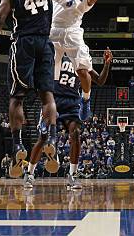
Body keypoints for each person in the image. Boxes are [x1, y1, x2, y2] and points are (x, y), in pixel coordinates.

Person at [0, 0, 95, 178]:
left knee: (17, 96)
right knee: (47, 95)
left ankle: (17, 144)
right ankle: (51, 137)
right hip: (46, 43)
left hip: (23, 43)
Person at [50, 0, 124, 121]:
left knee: (83, 72)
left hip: (73, 33)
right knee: (48, 77)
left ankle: (85, 99)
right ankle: (45, 113)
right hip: (53, 31)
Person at [25, 48, 112, 190]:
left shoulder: (81, 59)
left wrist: (107, 64)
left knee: (76, 134)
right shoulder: (56, 54)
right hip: (54, 99)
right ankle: (29, 173)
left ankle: (73, 175)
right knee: (43, 137)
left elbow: (100, 81)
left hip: (73, 102)